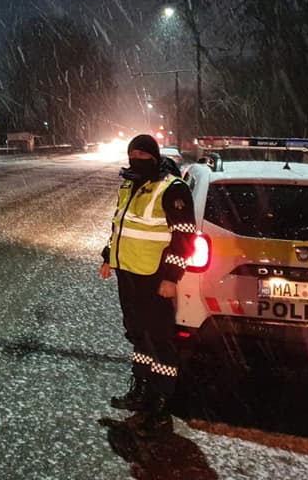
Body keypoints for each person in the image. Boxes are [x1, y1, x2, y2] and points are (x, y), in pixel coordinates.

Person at [100, 133, 197, 437]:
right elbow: (119, 225)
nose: (136, 160)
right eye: (133, 155)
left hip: (154, 277)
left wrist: (171, 277)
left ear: (154, 157)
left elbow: (185, 236)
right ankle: (141, 390)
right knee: (138, 334)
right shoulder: (129, 184)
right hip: (128, 273)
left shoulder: (172, 188)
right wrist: (108, 257)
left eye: (142, 155)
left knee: (160, 340)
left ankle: (161, 402)